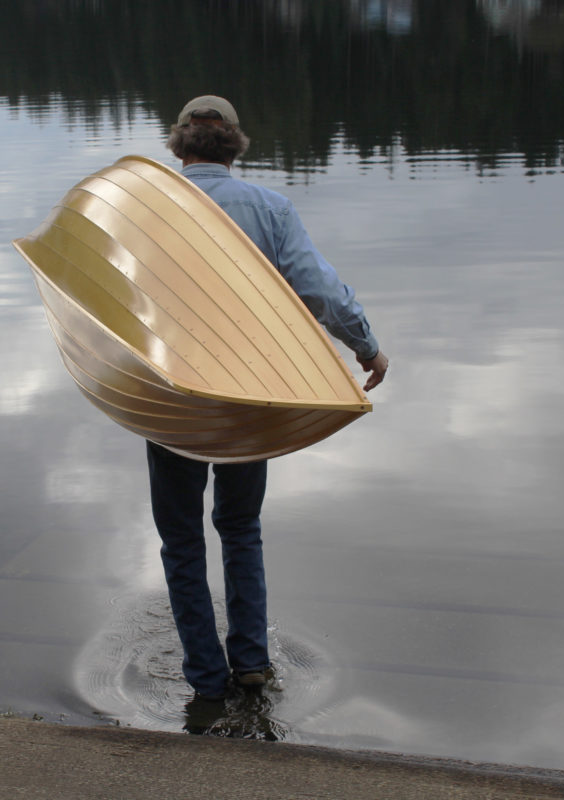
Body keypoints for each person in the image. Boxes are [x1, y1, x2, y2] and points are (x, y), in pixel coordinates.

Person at [151, 95, 388, 703]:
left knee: (181, 539)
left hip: (170, 400)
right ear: (234, 144)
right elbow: (321, 292)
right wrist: (366, 348)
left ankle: (205, 679)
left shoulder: (149, 211)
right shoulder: (269, 209)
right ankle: (251, 664)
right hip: (249, 397)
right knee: (239, 527)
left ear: (179, 145)